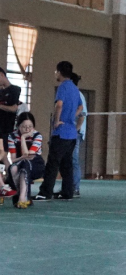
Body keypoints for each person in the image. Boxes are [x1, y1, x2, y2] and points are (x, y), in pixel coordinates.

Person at [34, 61, 82, 201]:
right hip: (72, 134)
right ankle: (67, 192)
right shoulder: (75, 88)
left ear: (59, 72)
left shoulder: (63, 87)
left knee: (53, 163)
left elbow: (59, 105)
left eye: (56, 71)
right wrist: (71, 117)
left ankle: (45, 192)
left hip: (61, 133)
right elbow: (80, 107)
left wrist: (57, 120)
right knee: (67, 164)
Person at [7, 112, 45, 208]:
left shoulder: (37, 136)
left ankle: (22, 198)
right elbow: (13, 159)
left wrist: (23, 138)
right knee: (13, 168)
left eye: (30, 127)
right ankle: (22, 195)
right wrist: (23, 157)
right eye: (24, 127)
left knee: (25, 164)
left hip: (36, 164)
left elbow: (28, 155)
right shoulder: (12, 136)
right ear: (18, 126)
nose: (27, 130)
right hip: (20, 162)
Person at [0, 67, 20, 198]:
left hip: (6, 129)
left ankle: (11, 184)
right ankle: (6, 184)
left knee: (3, 157)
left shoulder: (15, 90)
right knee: (2, 159)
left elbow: (14, 109)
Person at [70, 73, 87, 197]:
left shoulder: (78, 95)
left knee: (74, 160)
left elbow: (82, 115)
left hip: (75, 133)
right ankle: (68, 187)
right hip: (70, 133)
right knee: (68, 160)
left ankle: (75, 188)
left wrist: (75, 131)